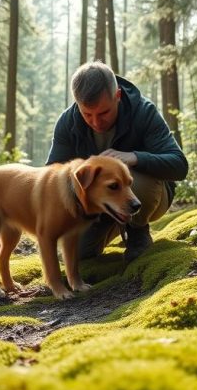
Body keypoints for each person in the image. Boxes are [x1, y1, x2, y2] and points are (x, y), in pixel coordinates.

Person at [46, 61, 188, 263]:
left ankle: (138, 233)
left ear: (118, 96)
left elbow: (179, 166)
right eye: (87, 114)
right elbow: (51, 177)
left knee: (130, 177)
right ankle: (103, 228)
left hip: (146, 196)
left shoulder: (143, 112)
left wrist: (134, 157)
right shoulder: (67, 122)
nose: (96, 122)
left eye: (103, 113)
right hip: (96, 205)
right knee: (78, 255)